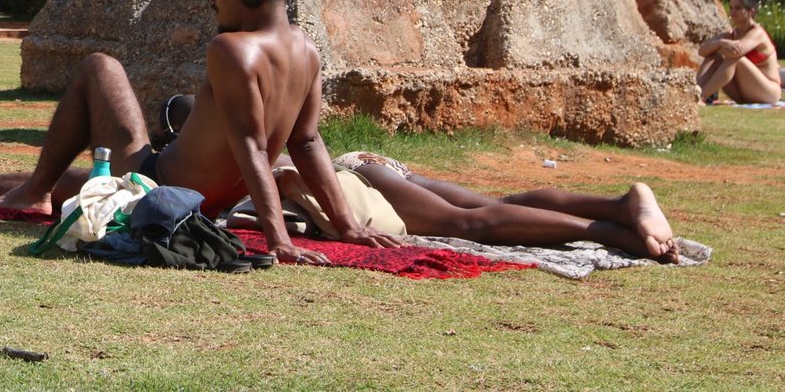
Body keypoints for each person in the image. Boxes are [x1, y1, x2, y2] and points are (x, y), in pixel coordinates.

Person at [0, 0, 403, 264]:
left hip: (158, 186)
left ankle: (29, 191)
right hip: (201, 203)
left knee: (99, 67)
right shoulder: (306, 51)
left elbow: (253, 147)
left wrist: (277, 237)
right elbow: (308, 142)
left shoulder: (231, 50)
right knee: (87, 180)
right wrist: (346, 225)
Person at [224, 150, 679, 262]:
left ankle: (606, 232)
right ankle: (619, 205)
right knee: (496, 207)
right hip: (368, 165)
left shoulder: (234, 159)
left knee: (467, 223)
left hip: (360, 176)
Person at [696, 0, 781, 105]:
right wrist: (721, 43)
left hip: (768, 92)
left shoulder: (757, 33)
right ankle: (694, 92)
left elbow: (737, 52)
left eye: (738, 8)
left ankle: (702, 97)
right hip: (743, 93)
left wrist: (720, 46)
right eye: (731, 7)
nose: (732, 12)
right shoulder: (731, 35)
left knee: (736, 58)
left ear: (751, 12)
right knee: (713, 57)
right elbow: (702, 51)